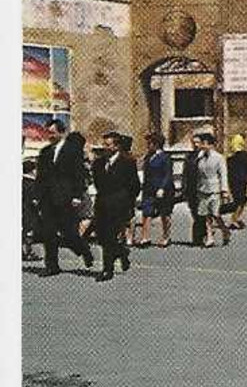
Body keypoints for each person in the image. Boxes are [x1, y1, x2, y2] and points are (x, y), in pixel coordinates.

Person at [35, 121, 94, 275]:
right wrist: (37, 196)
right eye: (48, 132)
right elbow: (40, 177)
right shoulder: (45, 152)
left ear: (61, 133)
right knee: (48, 233)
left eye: (52, 132)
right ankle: (52, 266)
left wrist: (77, 195)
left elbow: (78, 174)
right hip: (48, 198)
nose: (50, 135)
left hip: (66, 198)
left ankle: (84, 250)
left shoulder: (72, 151)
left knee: (69, 233)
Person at [91, 132, 139, 282]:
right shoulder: (98, 163)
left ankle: (107, 269)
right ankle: (122, 252)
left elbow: (134, 186)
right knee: (101, 236)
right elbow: (98, 183)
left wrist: (127, 203)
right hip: (102, 203)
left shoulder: (127, 162)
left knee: (110, 237)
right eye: (104, 144)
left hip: (119, 205)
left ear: (116, 146)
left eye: (108, 144)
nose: (105, 147)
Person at [194, 132, 232, 246]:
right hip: (202, 189)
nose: (201, 145)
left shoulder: (219, 158)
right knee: (205, 214)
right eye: (201, 143)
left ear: (210, 145)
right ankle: (210, 236)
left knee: (215, 214)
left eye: (204, 143)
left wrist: (224, 190)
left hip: (214, 189)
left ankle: (225, 231)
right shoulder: (200, 157)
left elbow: (223, 174)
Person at [137, 133, 175, 248]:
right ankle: (145, 237)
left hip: (162, 189)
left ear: (156, 144)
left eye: (150, 143)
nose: (148, 146)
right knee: (146, 212)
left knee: (164, 213)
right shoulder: (148, 156)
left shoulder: (165, 157)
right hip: (149, 188)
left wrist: (162, 188)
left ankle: (166, 236)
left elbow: (168, 174)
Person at [182, 133, 207, 246]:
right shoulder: (189, 156)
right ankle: (200, 235)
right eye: (194, 142)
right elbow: (185, 173)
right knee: (195, 213)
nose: (196, 145)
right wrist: (184, 187)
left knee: (201, 213)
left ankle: (199, 237)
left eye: (198, 142)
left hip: (203, 189)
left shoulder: (206, 156)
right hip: (191, 189)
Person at [227, 134, 247, 230]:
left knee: (239, 201)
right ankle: (234, 219)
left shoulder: (230, 157)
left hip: (233, 182)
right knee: (241, 201)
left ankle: (236, 218)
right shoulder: (245, 155)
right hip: (242, 182)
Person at [21, 159, 41, 261]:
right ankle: (28, 252)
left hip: (22, 210)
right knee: (29, 232)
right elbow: (35, 201)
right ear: (32, 170)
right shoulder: (32, 184)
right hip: (29, 211)